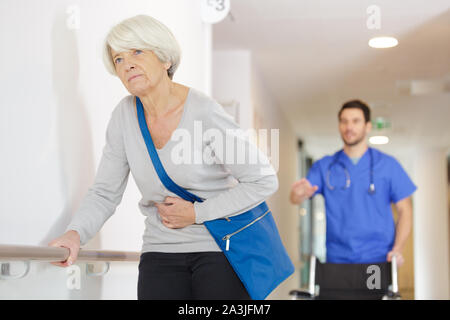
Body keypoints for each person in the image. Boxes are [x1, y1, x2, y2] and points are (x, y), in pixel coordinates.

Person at [48, 15, 278, 300]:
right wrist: (75, 234)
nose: (127, 63)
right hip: (160, 252)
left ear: (165, 59)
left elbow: (262, 180)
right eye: (118, 59)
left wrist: (197, 213)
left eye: (137, 52)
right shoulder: (124, 116)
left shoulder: (204, 112)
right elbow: (105, 192)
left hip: (219, 251)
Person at [290, 100, 416, 267]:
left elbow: (405, 210)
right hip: (337, 258)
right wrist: (297, 194)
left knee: (374, 294)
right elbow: (295, 198)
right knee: (337, 294)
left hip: (378, 258)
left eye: (355, 121)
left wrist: (398, 249)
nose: (349, 127)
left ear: (368, 126)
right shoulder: (325, 166)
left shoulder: (388, 165)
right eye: (344, 121)